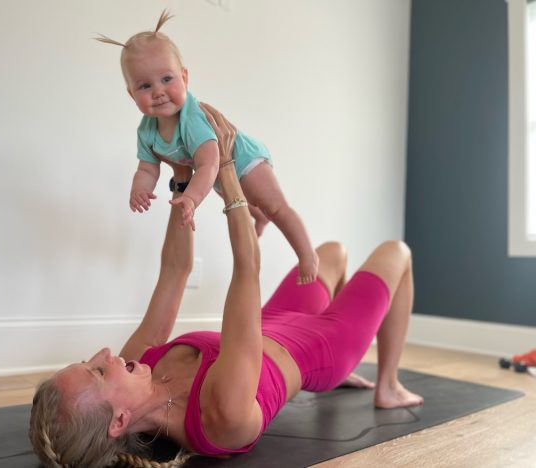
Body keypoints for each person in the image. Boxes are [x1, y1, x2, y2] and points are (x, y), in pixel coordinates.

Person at [29, 104, 423, 468]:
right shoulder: (220, 417)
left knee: (331, 252)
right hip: (323, 345)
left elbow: (174, 270)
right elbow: (247, 269)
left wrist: (181, 182)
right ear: (119, 420)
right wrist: (228, 168)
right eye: (98, 372)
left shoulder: (139, 364)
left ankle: (355, 357)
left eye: (89, 360)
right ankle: (386, 385)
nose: (104, 353)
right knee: (398, 252)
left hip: (274, 321)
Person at [95, 10, 319, 284]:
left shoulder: (192, 119)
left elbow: (210, 163)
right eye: (144, 85)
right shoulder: (147, 131)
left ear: (184, 78)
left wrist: (190, 198)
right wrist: (139, 189)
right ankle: (257, 216)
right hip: (214, 174)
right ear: (131, 94)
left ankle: (307, 254)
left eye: (167, 79)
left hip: (243, 158)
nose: (158, 91)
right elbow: (147, 167)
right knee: (239, 199)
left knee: (274, 205)